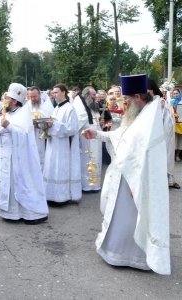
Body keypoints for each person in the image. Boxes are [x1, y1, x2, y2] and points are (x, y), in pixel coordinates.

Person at [83, 74, 171, 275]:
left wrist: (140, 183)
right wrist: (98, 134)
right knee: (121, 216)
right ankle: (116, 250)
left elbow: (148, 156)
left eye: (126, 99)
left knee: (132, 218)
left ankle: (135, 257)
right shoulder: (136, 115)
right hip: (125, 176)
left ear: (138, 98)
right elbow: (120, 136)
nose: (123, 103)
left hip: (136, 181)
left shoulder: (150, 119)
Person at [0, 83, 48, 225]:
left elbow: (24, 135)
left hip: (18, 158)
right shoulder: (8, 114)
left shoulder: (23, 115)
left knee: (21, 184)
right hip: (6, 156)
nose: (4, 101)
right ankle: (11, 212)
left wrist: (9, 127)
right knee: (8, 184)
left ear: (15, 101)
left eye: (7, 98)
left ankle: (31, 213)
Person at [43, 84, 81, 205]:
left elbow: (72, 129)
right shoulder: (57, 108)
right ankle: (51, 195)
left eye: (56, 92)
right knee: (52, 167)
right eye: (53, 93)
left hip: (63, 146)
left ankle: (61, 197)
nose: (54, 95)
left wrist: (54, 124)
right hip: (53, 143)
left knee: (60, 169)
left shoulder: (70, 109)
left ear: (64, 92)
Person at [148, 80, 180, 189]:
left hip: (164, 134)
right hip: (151, 134)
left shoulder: (162, 101)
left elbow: (169, 118)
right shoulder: (145, 102)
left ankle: (170, 179)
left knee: (167, 156)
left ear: (151, 90)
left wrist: (161, 107)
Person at [74, 87, 103, 192]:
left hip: (96, 138)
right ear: (87, 96)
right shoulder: (80, 108)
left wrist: (100, 123)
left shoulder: (93, 106)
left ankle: (95, 185)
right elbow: (77, 125)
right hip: (86, 139)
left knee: (96, 159)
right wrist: (76, 138)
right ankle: (86, 185)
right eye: (93, 95)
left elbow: (95, 119)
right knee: (87, 161)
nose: (96, 97)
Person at [28, 86, 54, 171]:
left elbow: (50, 117)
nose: (32, 99)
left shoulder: (46, 105)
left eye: (34, 96)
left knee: (41, 156)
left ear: (39, 95)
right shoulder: (28, 105)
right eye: (30, 97)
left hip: (42, 136)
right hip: (31, 134)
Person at [171, 88, 182, 161]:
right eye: (174, 93)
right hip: (173, 124)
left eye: (177, 93)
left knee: (180, 141)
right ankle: (172, 156)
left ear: (179, 93)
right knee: (173, 140)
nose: (175, 95)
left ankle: (178, 155)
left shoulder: (181, 102)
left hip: (181, 124)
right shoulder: (170, 102)